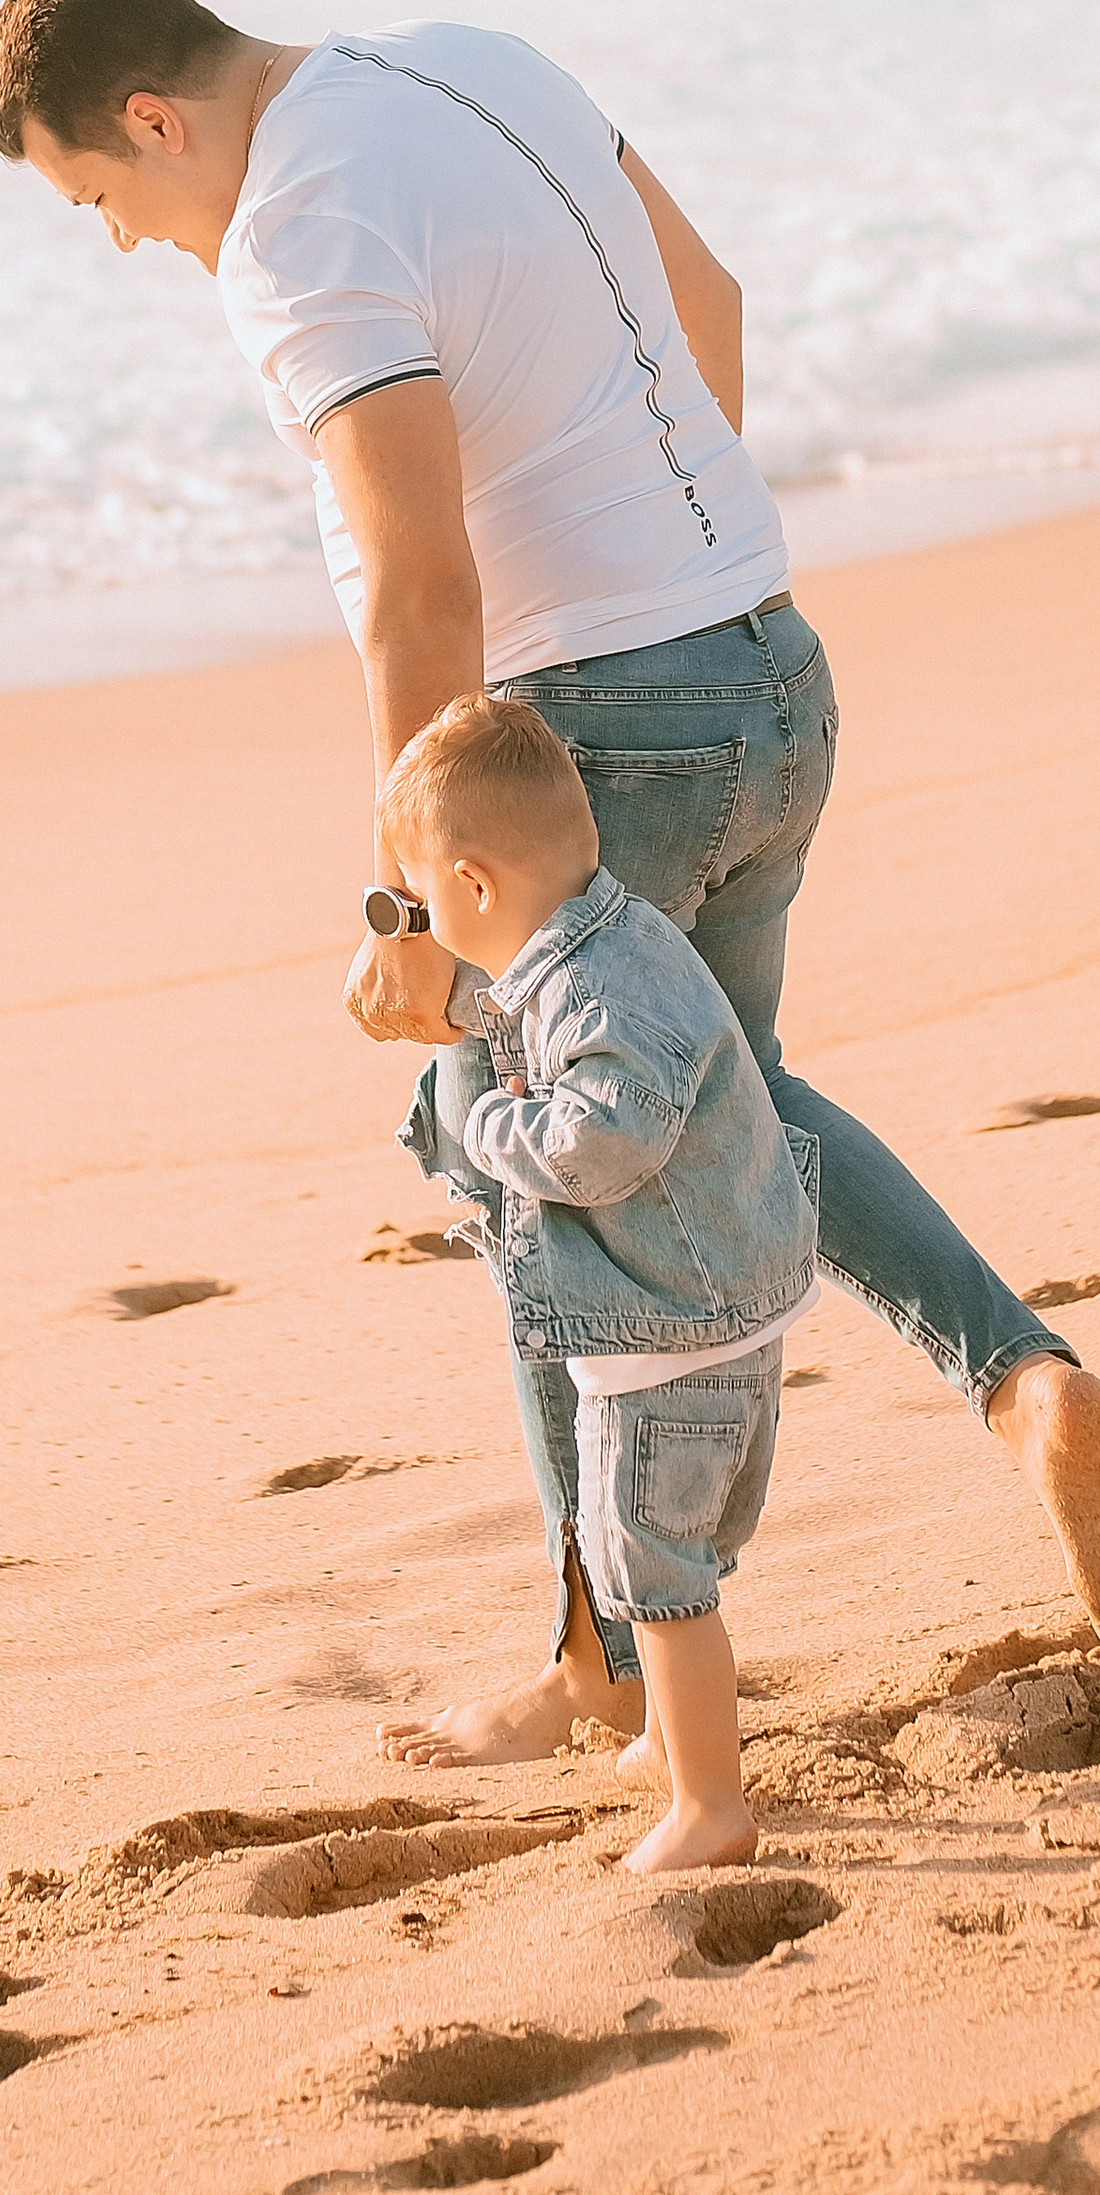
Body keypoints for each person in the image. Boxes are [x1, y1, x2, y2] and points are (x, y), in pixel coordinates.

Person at [0, 0, 1100, 1764]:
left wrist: (413, 904)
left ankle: (603, 1660)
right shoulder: (470, 59)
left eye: (105, 200)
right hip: (767, 666)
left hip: (595, 745)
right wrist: (676, 591)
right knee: (733, 1108)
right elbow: (713, 296)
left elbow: (420, 580)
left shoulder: (296, 233)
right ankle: (1027, 1384)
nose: (130, 241)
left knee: (548, 1186)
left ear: (153, 118)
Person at [381, 687, 815, 1870]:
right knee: (678, 1551)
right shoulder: (611, 935)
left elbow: (605, 1137)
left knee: (656, 1571)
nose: (413, 921)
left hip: (670, 1334)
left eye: (412, 902)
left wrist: (490, 1134)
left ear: (469, 888)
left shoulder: (594, 991)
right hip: (717, 1309)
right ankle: (678, 1749)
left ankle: (710, 1806)